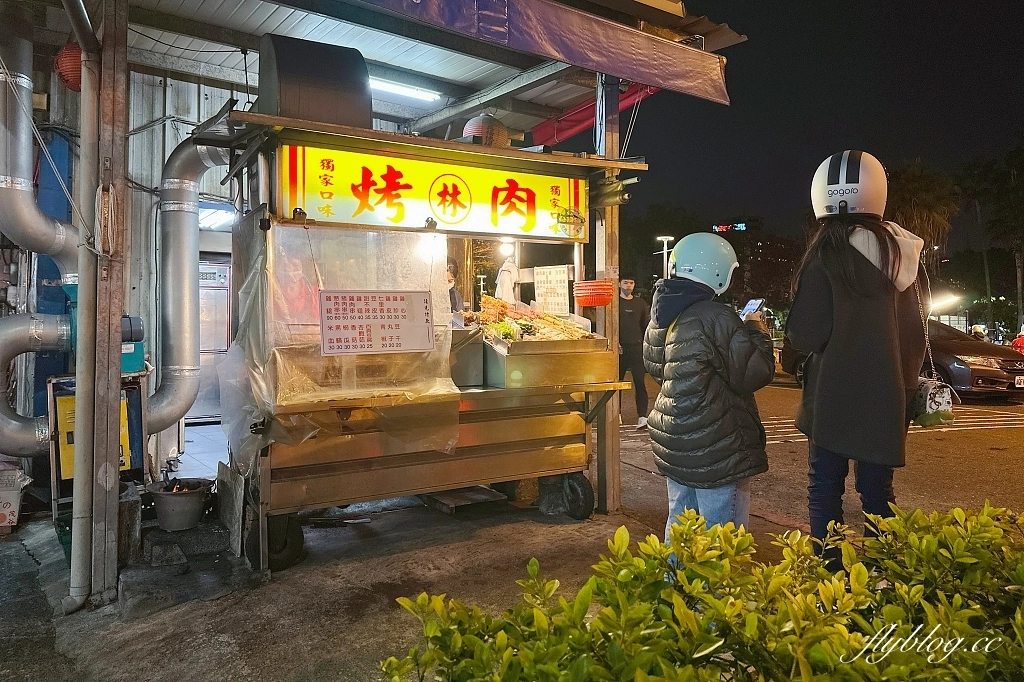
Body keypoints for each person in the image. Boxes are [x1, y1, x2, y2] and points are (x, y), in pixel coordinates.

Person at [786, 150, 927, 565]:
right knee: (878, 491)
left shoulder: (827, 254)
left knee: (825, 485)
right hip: (889, 396)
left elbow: (804, 333)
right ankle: (885, 574)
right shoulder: (906, 255)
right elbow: (918, 333)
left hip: (833, 395)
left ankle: (830, 573)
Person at [643, 233, 776, 537]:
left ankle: (673, 583)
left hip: (676, 439)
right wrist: (755, 329)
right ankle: (719, 588)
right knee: (721, 535)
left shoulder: (660, 314)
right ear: (718, 270)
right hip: (717, 446)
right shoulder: (715, 315)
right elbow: (754, 372)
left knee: (681, 526)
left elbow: (657, 368)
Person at [618, 276, 650, 428]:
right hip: (619, 349)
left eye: (631, 283)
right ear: (619, 284)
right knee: (616, 384)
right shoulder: (614, 303)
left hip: (637, 348)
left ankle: (642, 417)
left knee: (640, 382)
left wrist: (645, 344)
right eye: (625, 282)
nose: (629, 285)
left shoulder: (640, 303)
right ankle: (615, 414)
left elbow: (645, 325)